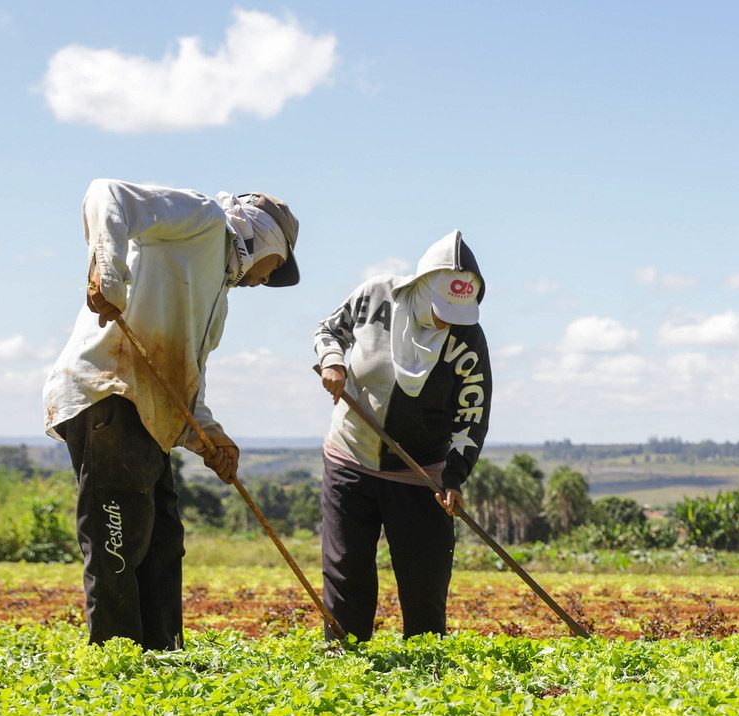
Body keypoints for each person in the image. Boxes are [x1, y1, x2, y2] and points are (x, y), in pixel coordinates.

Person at [42, 179, 300, 649]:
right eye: (274, 265)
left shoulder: (216, 302)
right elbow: (107, 195)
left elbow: (185, 385)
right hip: (109, 391)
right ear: (262, 236)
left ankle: (162, 659)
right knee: (119, 541)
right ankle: (117, 667)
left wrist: (212, 438)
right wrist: (110, 274)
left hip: (145, 416)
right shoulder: (205, 220)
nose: (265, 280)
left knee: (162, 543)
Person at [312, 231, 491, 642]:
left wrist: (453, 476)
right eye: (441, 307)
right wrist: (332, 361)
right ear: (422, 285)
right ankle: (343, 664)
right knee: (347, 573)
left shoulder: (468, 338)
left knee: (425, 583)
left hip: (420, 475)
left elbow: (472, 413)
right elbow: (328, 330)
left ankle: (425, 672)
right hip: (349, 458)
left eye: (457, 311)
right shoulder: (376, 297)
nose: (447, 319)